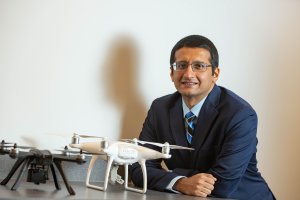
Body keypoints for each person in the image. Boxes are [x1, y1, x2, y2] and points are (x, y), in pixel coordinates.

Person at [130, 35, 275, 199]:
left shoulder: (240, 114)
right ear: (172, 73)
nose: (188, 74)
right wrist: (180, 182)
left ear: (215, 73)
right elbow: (137, 167)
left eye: (199, 66)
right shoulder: (160, 108)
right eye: (181, 65)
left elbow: (223, 184)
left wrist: (170, 174)